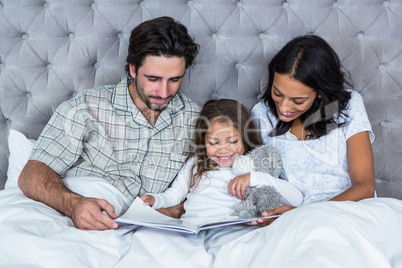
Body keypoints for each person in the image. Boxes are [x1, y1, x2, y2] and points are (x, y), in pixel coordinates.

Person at [17, 16, 201, 231]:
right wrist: (74, 204)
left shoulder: (196, 119)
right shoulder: (86, 106)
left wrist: (175, 210)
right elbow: (32, 174)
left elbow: (214, 177)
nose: (163, 92)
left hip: (149, 230)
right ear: (133, 70)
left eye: (174, 80)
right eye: (153, 79)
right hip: (77, 222)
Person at [250, 35, 376, 226]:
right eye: (277, 93)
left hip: (349, 213)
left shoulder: (349, 106)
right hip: (292, 220)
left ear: (320, 92)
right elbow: (259, 179)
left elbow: (365, 186)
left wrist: (306, 214)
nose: (283, 107)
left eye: (298, 101)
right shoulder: (262, 115)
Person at [140, 99, 303, 218]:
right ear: (203, 141)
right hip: (192, 228)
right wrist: (154, 199)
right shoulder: (196, 163)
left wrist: (253, 178)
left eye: (232, 141)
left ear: (245, 138)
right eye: (213, 142)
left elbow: (297, 198)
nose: (224, 150)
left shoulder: (253, 164)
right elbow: (175, 194)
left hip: (233, 229)